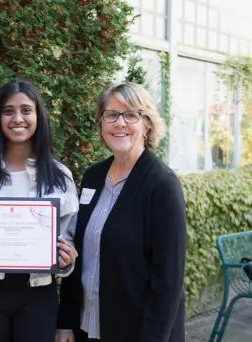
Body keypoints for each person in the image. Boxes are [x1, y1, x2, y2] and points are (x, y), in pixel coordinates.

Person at [0, 79, 79, 342]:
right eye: (8, 111)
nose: (17, 118)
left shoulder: (60, 177)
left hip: (37, 296)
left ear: (38, 116)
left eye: (26, 110)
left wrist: (67, 258)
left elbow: (69, 240)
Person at [55, 82, 187, 342]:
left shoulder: (162, 185)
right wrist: (66, 321)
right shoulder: (93, 177)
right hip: (87, 327)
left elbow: (168, 283)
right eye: (111, 115)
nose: (120, 123)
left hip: (136, 332)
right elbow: (79, 252)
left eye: (131, 115)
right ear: (101, 123)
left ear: (146, 124)